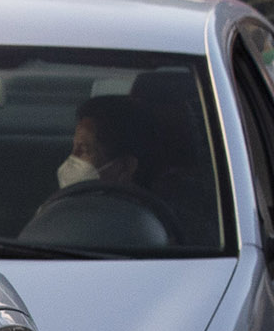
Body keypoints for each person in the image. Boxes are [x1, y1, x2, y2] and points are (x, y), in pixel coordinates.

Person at [23, 94, 184, 244]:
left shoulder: (153, 228)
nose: (72, 158)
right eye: (74, 148)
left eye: (85, 150)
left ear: (125, 166)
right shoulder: (56, 211)